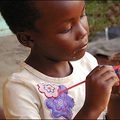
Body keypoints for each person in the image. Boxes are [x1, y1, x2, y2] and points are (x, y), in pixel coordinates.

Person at [0, 1, 119, 119]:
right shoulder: (21, 90)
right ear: (28, 38)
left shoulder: (87, 62)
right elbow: (94, 110)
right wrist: (92, 108)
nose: (83, 32)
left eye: (82, 15)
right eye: (67, 28)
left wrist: (114, 97)